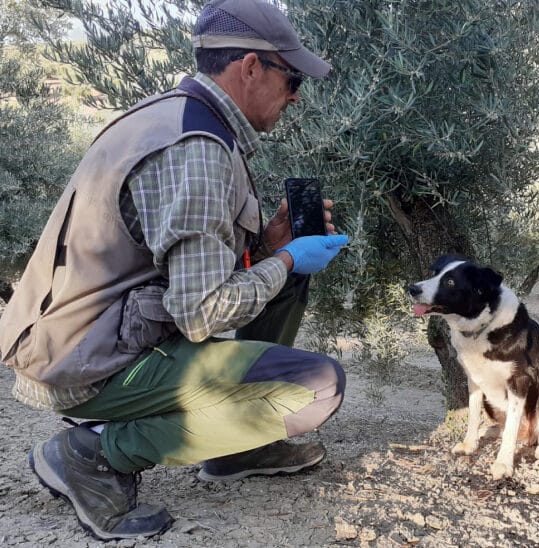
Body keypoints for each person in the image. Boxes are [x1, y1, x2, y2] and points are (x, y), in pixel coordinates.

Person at [0, 0, 349, 540]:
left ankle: (242, 447)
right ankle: (93, 453)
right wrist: (284, 259)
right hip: (88, 363)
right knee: (318, 388)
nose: (297, 94)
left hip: (90, 338)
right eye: (291, 76)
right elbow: (199, 311)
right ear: (251, 66)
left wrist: (272, 246)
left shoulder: (178, 116)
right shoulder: (197, 150)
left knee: (286, 276)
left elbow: (180, 264)